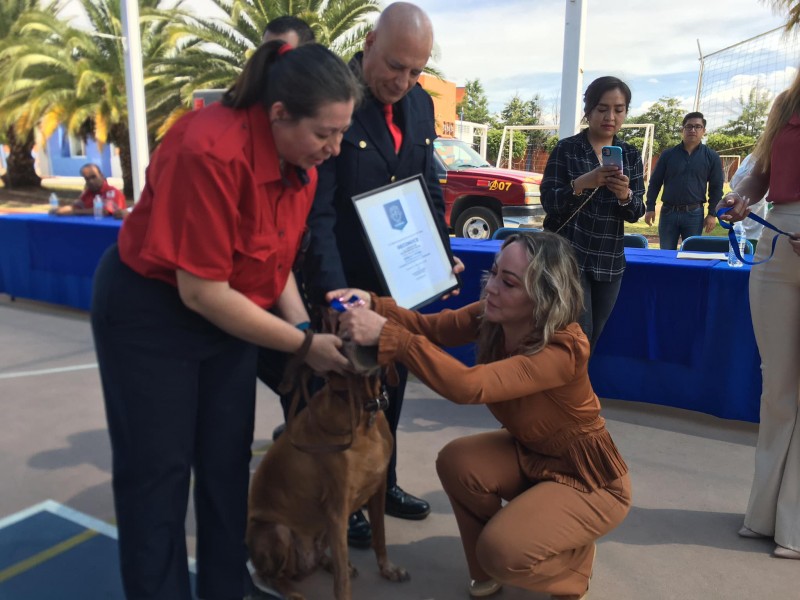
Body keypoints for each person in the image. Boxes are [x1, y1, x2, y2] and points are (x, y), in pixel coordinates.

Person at [90, 41, 361, 599]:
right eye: (324, 134)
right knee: (157, 478)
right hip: (153, 312)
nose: (334, 149)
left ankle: (224, 589)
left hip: (228, 314)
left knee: (225, 464)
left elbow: (275, 260)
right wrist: (301, 347)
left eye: (341, 132)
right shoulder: (208, 150)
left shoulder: (302, 166)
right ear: (279, 113)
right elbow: (202, 291)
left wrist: (308, 330)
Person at [331, 231, 631, 600]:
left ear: (543, 296)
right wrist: (375, 305)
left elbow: (467, 386)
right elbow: (431, 328)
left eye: (508, 283)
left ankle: (573, 567)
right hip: (532, 454)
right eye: (493, 273)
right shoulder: (493, 316)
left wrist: (391, 336)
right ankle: (492, 567)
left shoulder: (564, 349)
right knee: (457, 462)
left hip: (588, 478)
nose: (491, 288)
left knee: (501, 551)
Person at [302, 1, 457, 547]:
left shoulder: (418, 105)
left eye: (416, 70)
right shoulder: (335, 96)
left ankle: (381, 484)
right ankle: (340, 504)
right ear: (369, 43)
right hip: (345, 281)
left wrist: (441, 252)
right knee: (343, 399)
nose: (403, 80)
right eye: (395, 65)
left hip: (399, 284)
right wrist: (334, 296)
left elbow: (426, 186)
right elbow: (318, 213)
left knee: (390, 390)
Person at [717, 68, 800, 560]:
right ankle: (764, 513)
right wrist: (739, 195)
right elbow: (761, 172)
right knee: (778, 388)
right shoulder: (787, 103)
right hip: (776, 235)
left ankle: (795, 523)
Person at [540, 76, 645, 352]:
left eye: (619, 109)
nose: (610, 116)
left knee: (593, 336)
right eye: (602, 108)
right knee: (578, 335)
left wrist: (625, 195)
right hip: (567, 256)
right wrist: (581, 183)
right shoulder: (567, 149)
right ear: (588, 110)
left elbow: (637, 212)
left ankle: (570, 389)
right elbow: (550, 203)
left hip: (609, 258)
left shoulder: (630, 155)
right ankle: (571, 393)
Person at [644, 112, 723, 250]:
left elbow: (716, 188)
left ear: (703, 131)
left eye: (698, 126)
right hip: (668, 213)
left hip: (694, 214)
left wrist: (712, 214)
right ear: (683, 130)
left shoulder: (712, 157)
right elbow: (655, 182)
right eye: (689, 126)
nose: (693, 130)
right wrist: (650, 207)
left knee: (691, 256)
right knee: (666, 256)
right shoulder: (668, 155)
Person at [50, 163, 127, 217]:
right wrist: (59, 210)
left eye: (93, 177)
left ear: (102, 175)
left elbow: (104, 211)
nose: (91, 181)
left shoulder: (113, 192)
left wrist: (74, 212)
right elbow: (75, 206)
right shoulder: (88, 192)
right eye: (87, 179)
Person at [729, 153, 768, 242]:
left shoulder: (751, 158)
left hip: (757, 216)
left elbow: (733, 183)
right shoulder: (755, 158)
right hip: (745, 213)